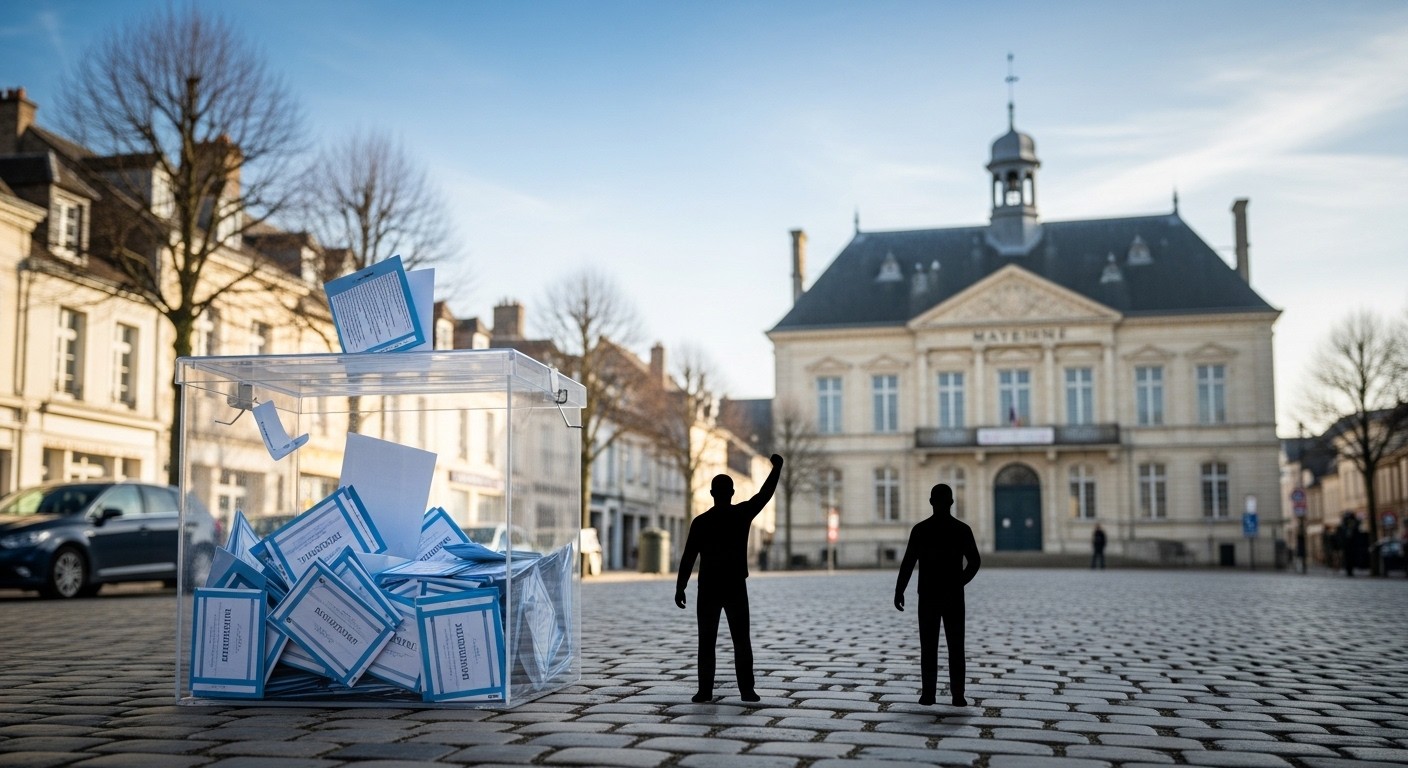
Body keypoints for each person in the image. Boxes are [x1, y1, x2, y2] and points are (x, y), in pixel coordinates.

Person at [675, 453, 784, 703]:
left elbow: (688, 557)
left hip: (709, 587)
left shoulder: (701, 522)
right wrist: (777, 468)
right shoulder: (741, 514)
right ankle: (747, 690)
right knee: (741, 640)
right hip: (735, 585)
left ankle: (705, 691)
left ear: (712, 494)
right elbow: (764, 495)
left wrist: (680, 587)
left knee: (707, 641)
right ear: (732, 493)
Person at [894, 483, 980, 707]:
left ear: (931, 501)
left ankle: (929, 694)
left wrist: (899, 589)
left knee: (928, 646)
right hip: (953, 596)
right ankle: (958, 695)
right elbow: (975, 561)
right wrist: (959, 581)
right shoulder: (962, 529)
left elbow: (908, 563)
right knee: (955, 647)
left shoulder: (921, 530)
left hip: (928, 595)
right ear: (952, 502)